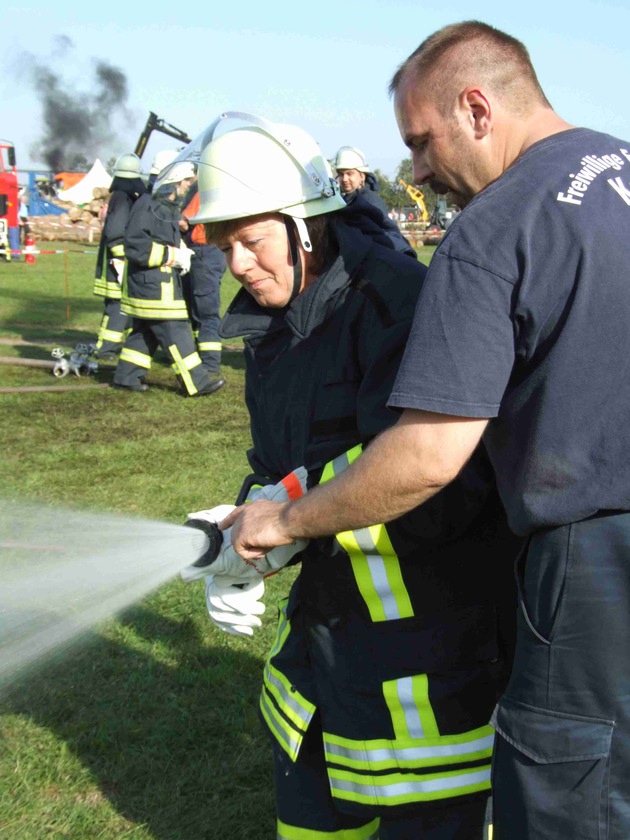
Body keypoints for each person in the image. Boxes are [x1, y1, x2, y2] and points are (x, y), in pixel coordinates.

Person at [224, 21, 630, 840]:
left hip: (592, 559)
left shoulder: (493, 228)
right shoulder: (618, 164)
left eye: (420, 141)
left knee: (567, 797)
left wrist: (284, 519)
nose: (414, 172)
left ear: (478, 108)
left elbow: (429, 456)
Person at [183, 112, 519, 839]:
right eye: (223, 244)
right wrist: (242, 532)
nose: (237, 264)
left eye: (252, 240)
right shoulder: (271, 325)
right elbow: (279, 465)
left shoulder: (397, 303)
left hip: (430, 661)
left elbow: (439, 481)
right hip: (327, 649)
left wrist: (285, 518)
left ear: (306, 227)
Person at [113, 161, 222, 396]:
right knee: (178, 331)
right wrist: (174, 256)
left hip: (154, 284)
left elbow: (164, 239)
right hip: (152, 286)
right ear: (173, 181)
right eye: (184, 183)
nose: (186, 188)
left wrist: (182, 250)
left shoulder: (164, 207)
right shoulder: (148, 206)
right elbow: (135, 247)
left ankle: (127, 376)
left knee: (145, 332)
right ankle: (197, 383)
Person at [93, 153, 145, 356]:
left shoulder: (121, 196)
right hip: (117, 265)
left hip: (119, 262)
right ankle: (105, 348)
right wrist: (123, 260)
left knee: (123, 307)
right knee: (116, 308)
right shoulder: (123, 198)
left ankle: (115, 347)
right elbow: (115, 234)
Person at [181, 185, 226, 393]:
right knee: (200, 307)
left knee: (205, 309)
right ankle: (201, 356)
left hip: (204, 250)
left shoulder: (206, 189)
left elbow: (184, 221)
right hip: (213, 251)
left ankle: (209, 363)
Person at [333, 146, 389, 214]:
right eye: (341, 174)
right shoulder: (345, 202)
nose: (344, 179)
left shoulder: (370, 202)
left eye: (349, 174)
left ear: (362, 176)